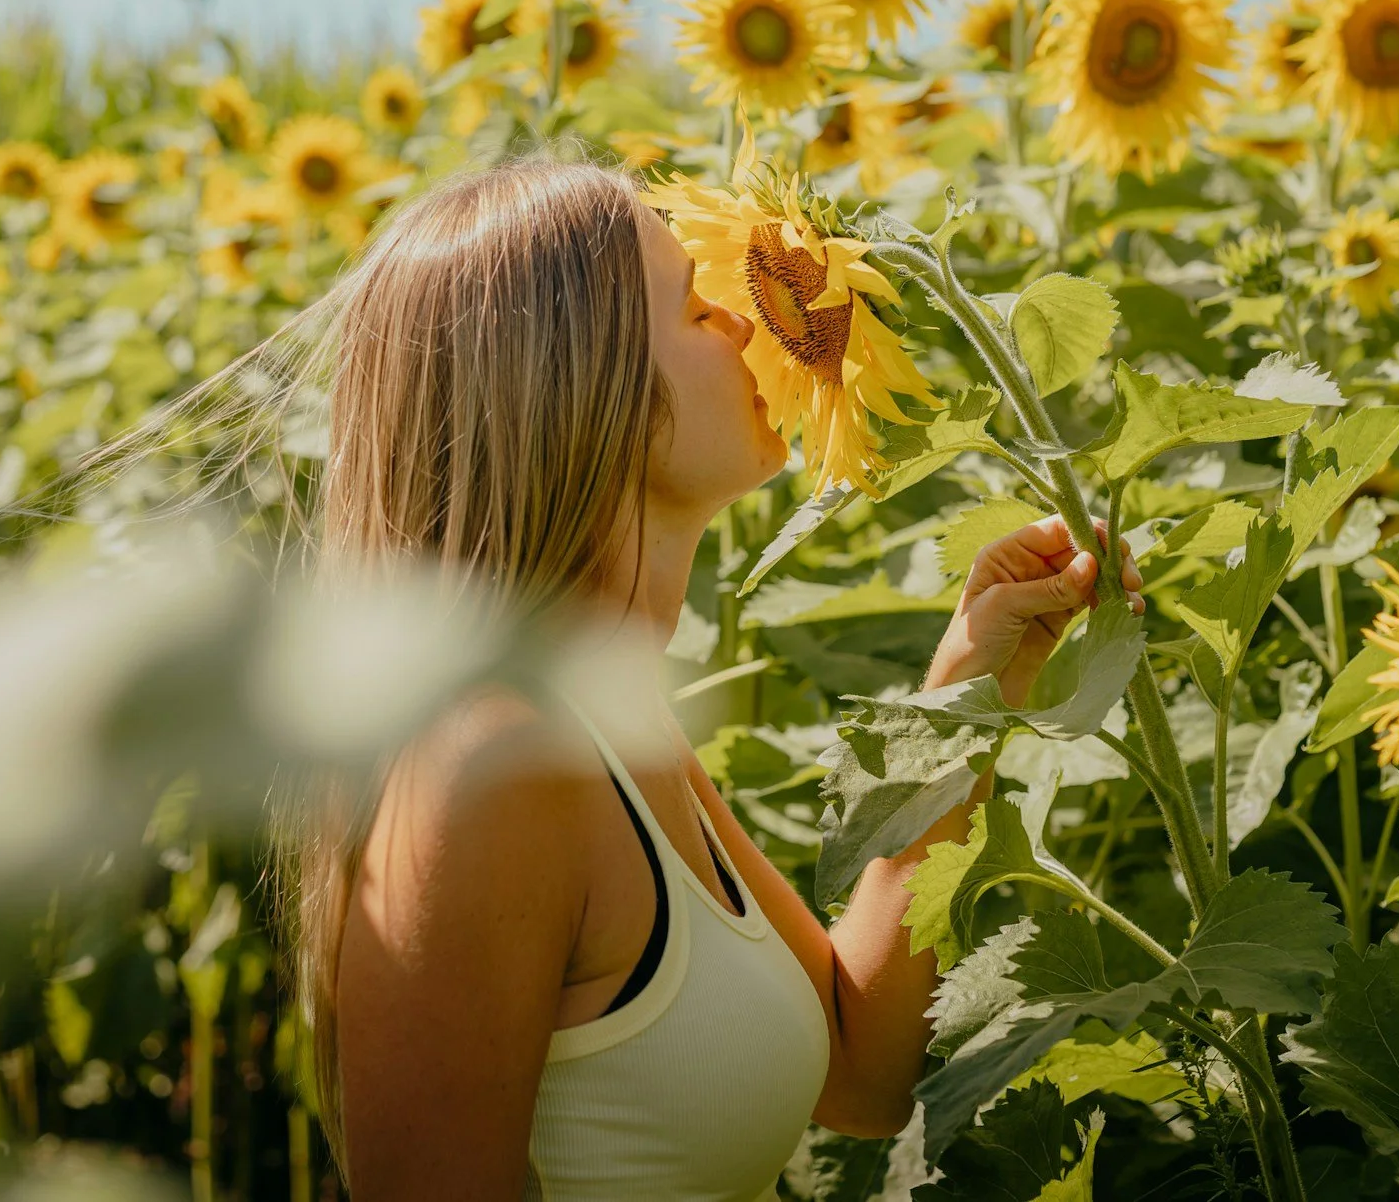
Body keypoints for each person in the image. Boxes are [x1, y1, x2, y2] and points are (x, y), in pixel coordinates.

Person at [285, 157, 1139, 1199]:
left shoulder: (608, 722)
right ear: (577, 388)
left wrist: (969, 686)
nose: (750, 325)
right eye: (698, 306)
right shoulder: (491, 768)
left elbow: (860, 1070)